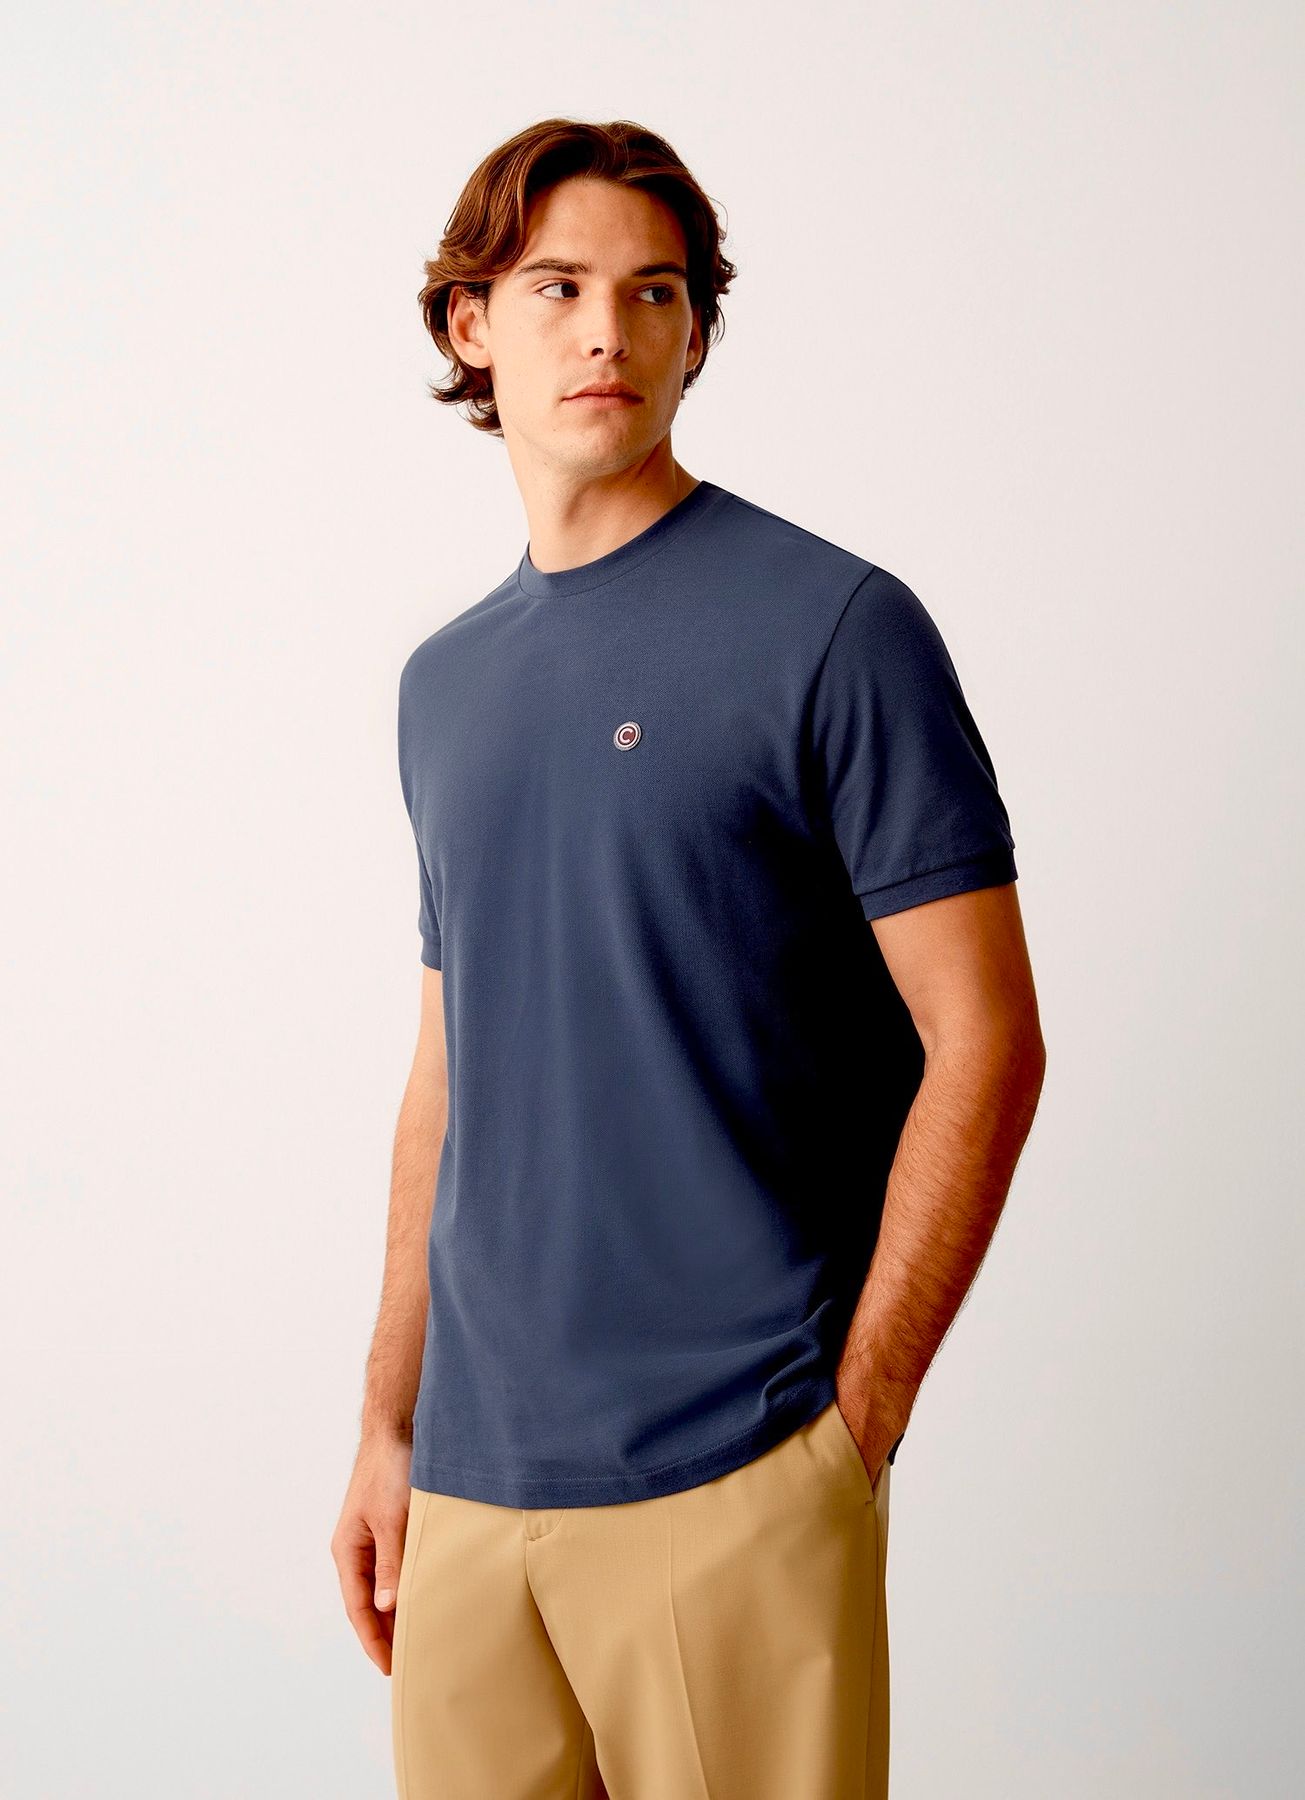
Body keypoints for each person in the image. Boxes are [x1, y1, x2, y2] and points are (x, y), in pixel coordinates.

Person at [331, 117, 1047, 1800]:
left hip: (735, 1463)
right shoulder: (444, 681)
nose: (608, 331)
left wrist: (850, 1429)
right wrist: (387, 1421)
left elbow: (985, 1039)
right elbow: (449, 1071)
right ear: (469, 325)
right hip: (471, 1490)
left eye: (653, 293)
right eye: (558, 287)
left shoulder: (834, 627)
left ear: (695, 332)